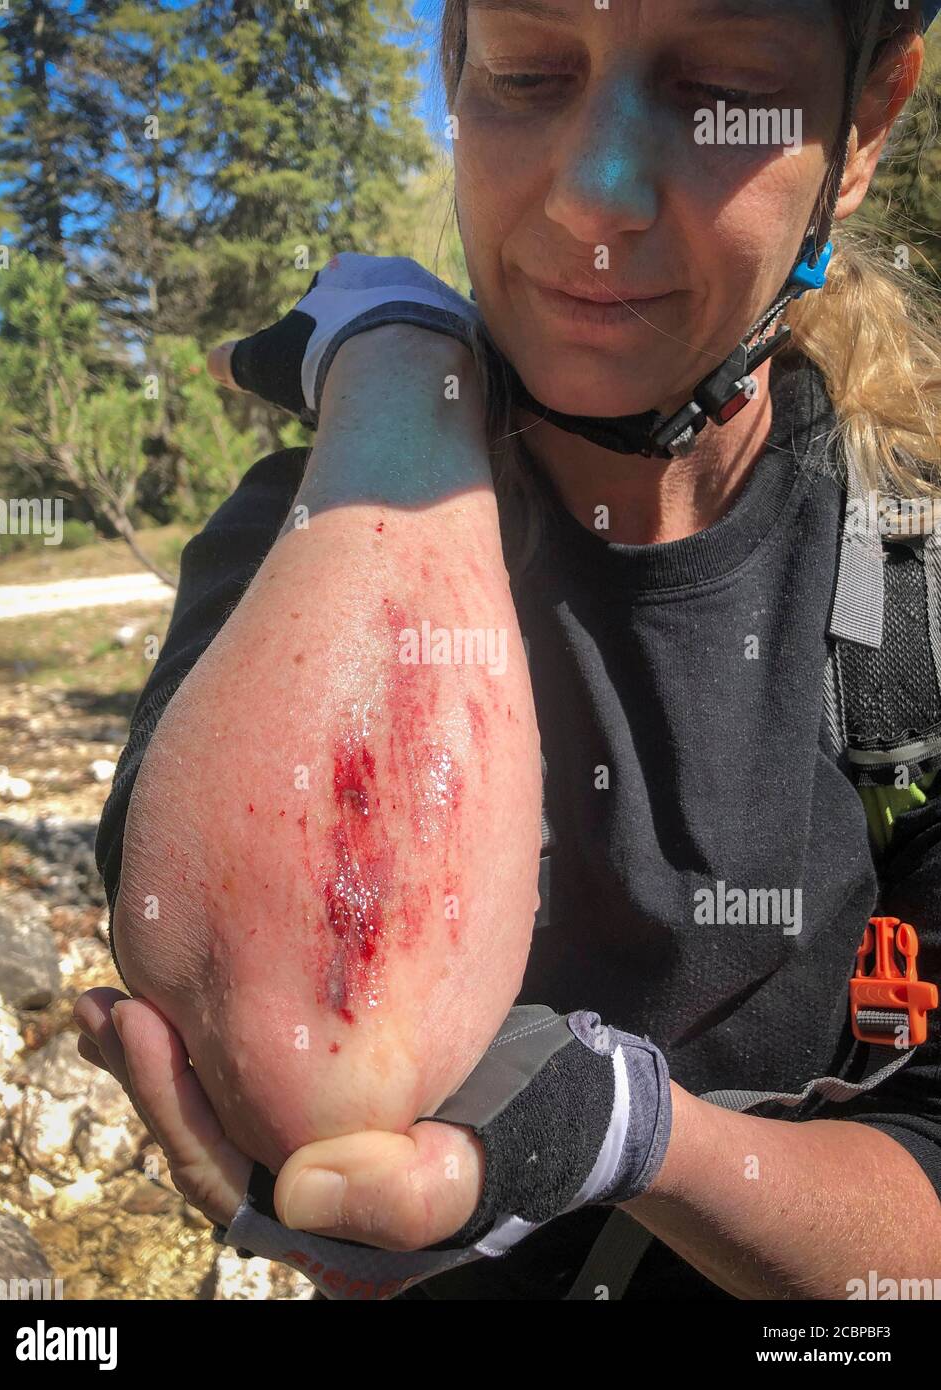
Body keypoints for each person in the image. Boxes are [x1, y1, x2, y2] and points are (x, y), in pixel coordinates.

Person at [75, 0, 941, 1300]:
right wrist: (402, 380)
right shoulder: (301, 522)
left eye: (718, 93)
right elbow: (305, 1051)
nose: (594, 198)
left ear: (861, 130)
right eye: (531, 73)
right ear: (456, 80)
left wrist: (639, 1139)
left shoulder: (909, 589)